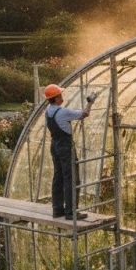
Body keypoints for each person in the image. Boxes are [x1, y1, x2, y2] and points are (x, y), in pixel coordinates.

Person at [44, 84, 96, 220]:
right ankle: (71, 212)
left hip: (54, 145)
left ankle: (57, 210)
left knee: (58, 177)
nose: (62, 97)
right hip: (65, 147)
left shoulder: (48, 111)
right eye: (60, 95)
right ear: (55, 98)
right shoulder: (62, 112)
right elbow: (85, 114)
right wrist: (90, 103)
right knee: (71, 178)